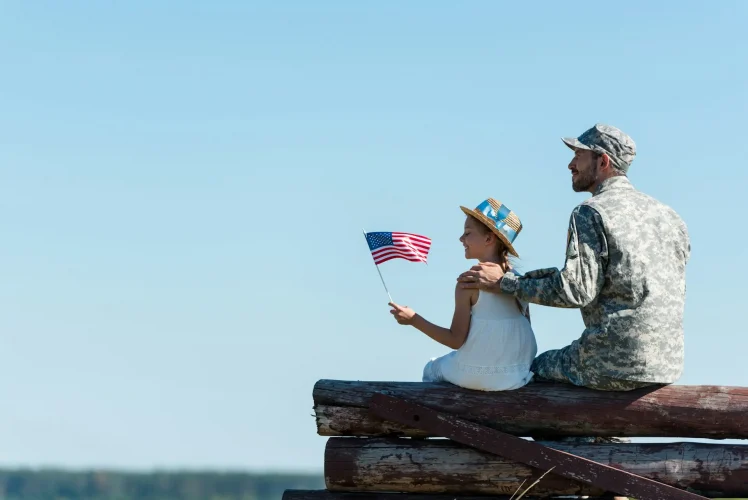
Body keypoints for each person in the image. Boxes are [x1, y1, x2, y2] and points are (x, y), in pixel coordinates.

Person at [458, 124, 691, 391]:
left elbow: (576, 290)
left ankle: (574, 435)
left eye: (578, 155)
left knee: (525, 371)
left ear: (602, 161)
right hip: (667, 365)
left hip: (611, 362)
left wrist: (506, 284)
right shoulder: (671, 217)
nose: (571, 164)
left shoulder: (591, 212)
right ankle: (606, 434)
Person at [388, 198, 537, 391]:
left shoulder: (469, 281)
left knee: (432, 369)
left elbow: (455, 340)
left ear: (489, 239)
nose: (461, 239)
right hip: (516, 377)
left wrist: (413, 319)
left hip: (474, 375)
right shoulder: (520, 282)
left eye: (467, 233)